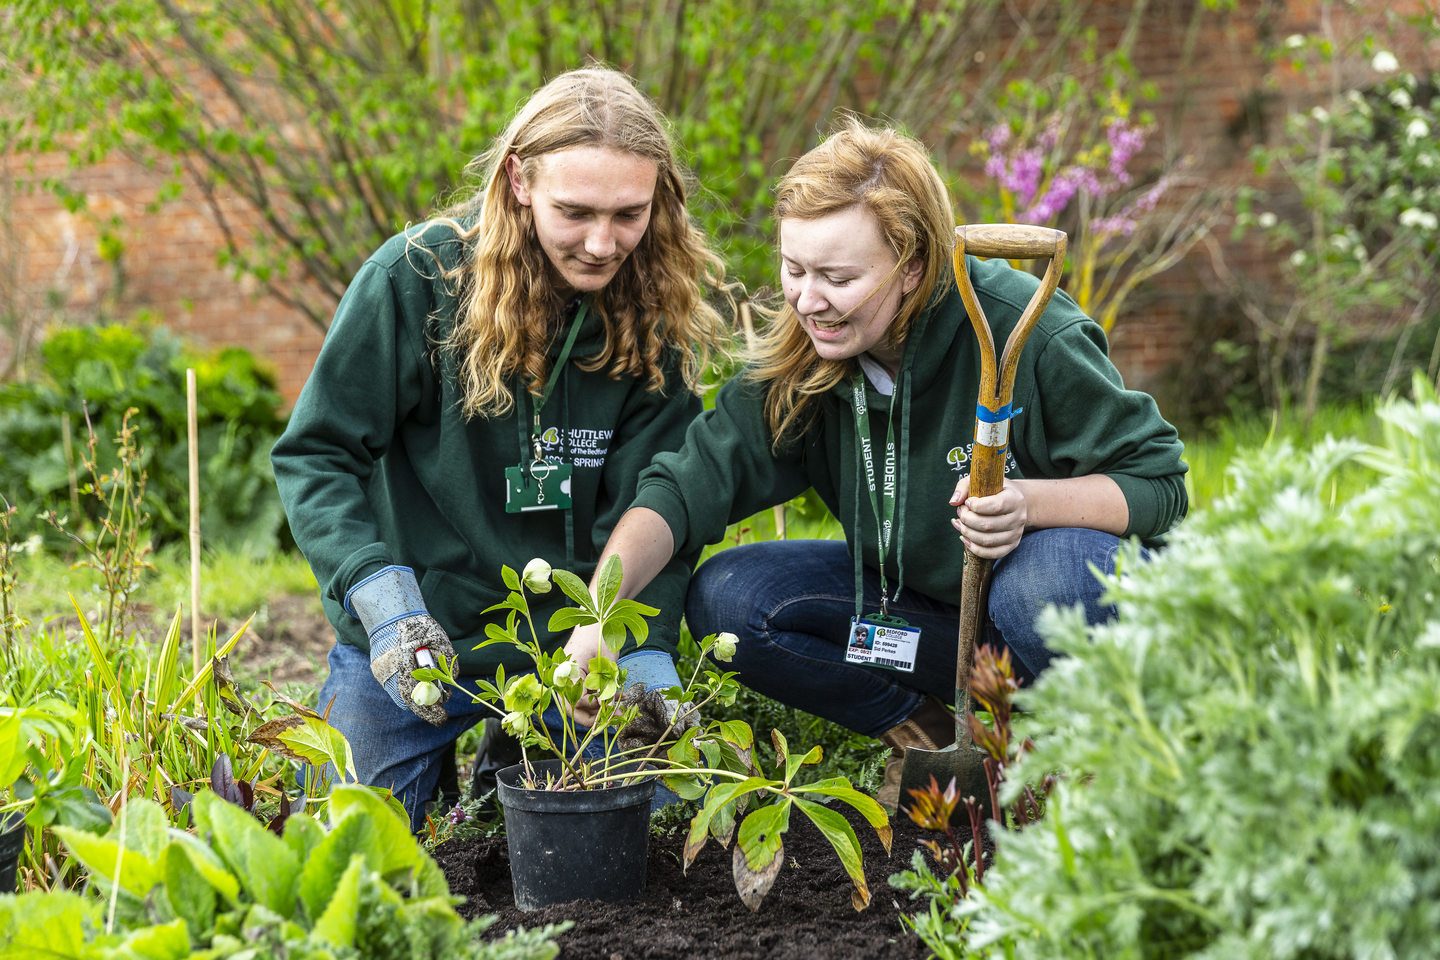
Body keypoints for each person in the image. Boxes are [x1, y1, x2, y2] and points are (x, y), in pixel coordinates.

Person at [563, 119, 1187, 812]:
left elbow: (1158, 485)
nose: (806, 300)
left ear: (913, 266)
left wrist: (1028, 504)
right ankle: (934, 735)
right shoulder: (807, 359)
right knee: (732, 598)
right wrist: (600, 611)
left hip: (1054, 606)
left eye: (837, 277)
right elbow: (681, 489)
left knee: (1038, 586)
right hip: (936, 626)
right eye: (794, 271)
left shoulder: (1023, 330)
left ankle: (1105, 766)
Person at [272, 67, 732, 829]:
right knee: (345, 841)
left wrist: (636, 646)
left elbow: (664, 501)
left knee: (662, 819)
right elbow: (317, 456)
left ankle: (514, 755)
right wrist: (384, 605)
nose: (602, 242)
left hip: (579, 649)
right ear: (519, 179)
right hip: (420, 637)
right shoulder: (415, 280)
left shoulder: (651, 314)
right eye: (575, 211)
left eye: (629, 214)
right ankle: (475, 745)